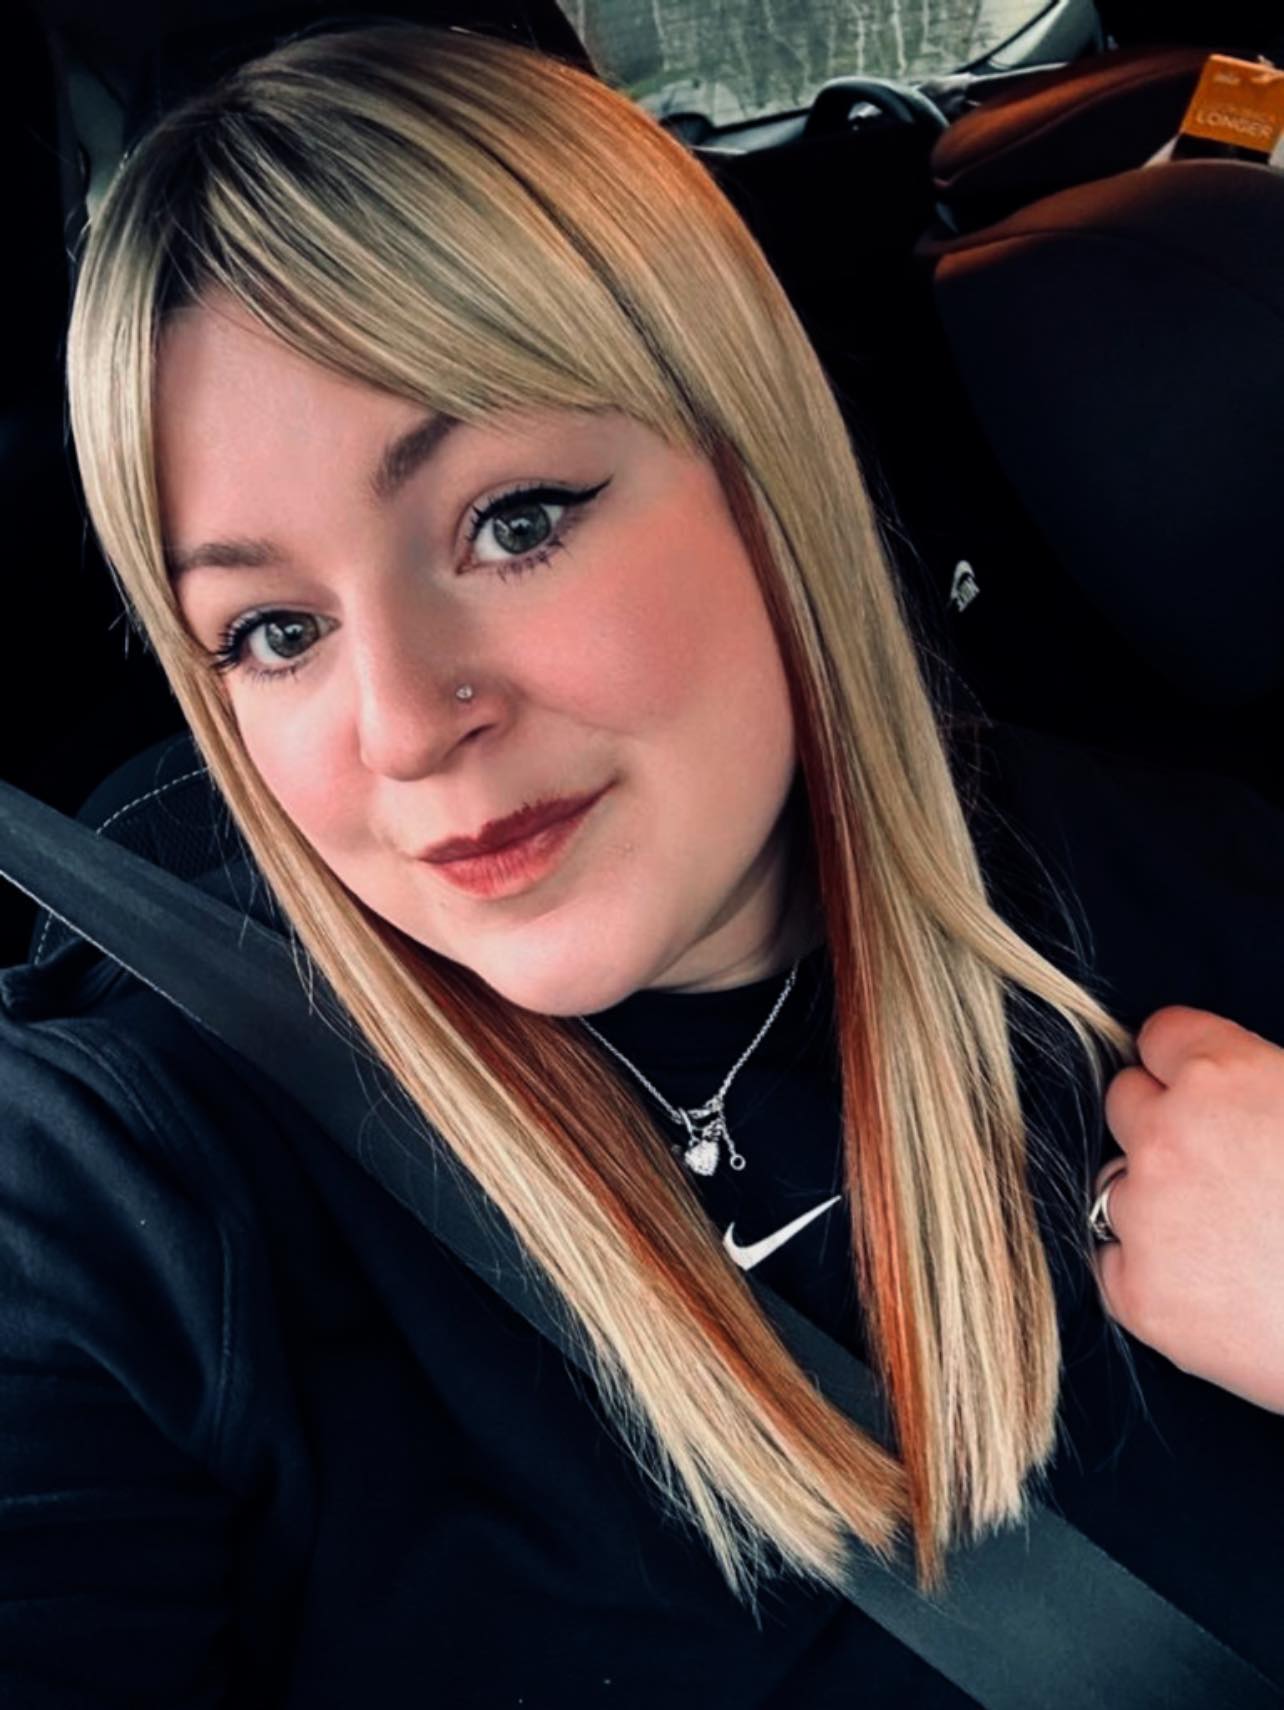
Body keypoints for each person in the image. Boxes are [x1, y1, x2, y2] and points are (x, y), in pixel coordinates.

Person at [1, 17, 1282, 1706]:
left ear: (756, 464)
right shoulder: (128, 1177)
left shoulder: (1196, 906)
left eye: (513, 519)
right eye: (274, 630)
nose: (406, 726)